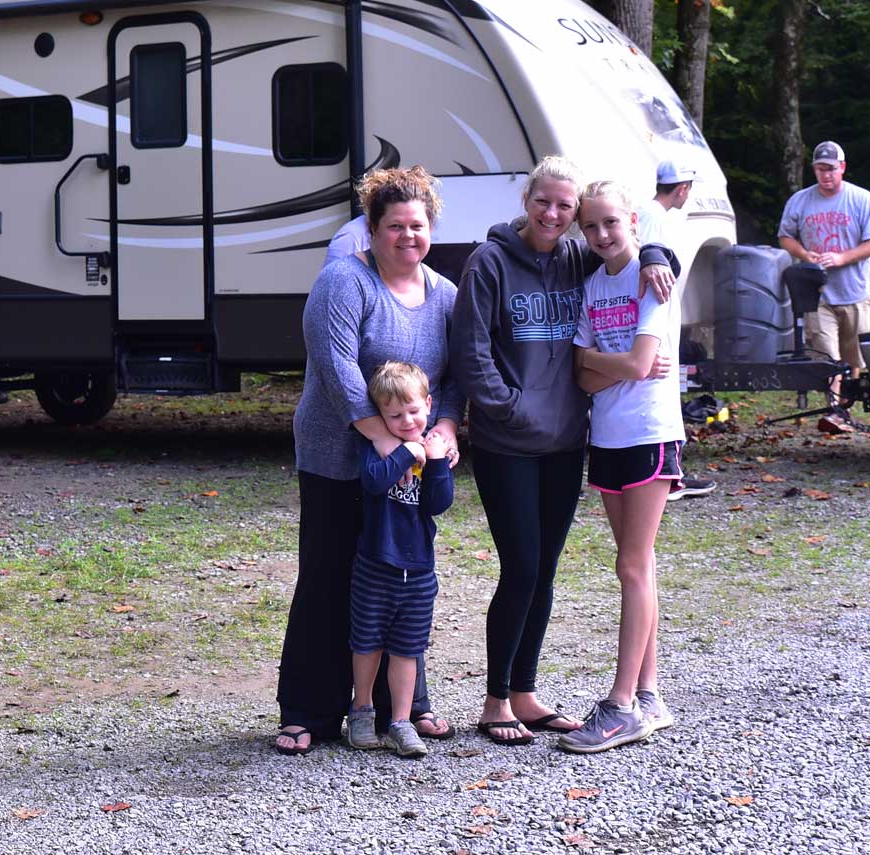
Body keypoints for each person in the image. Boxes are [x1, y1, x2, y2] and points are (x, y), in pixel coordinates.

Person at [451, 156, 679, 746]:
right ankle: (495, 699)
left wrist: (657, 255)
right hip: (509, 443)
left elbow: (634, 245)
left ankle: (525, 693)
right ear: (526, 201)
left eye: (564, 207)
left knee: (545, 571)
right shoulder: (490, 263)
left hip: (567, 443)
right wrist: (511, 409)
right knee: (521, 566)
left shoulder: (580, 257)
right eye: (543, 202)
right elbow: (471, 353)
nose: (553, 215)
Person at [275, 167, 464, 755]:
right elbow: (336, 368)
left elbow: (455, 377)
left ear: (432, 227)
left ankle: (402, 708)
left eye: (418, 225)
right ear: (372, 229)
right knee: (330, 577)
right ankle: (308, 709)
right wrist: (381, 436)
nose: (408, 236)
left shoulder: (447, 297)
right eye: (394, 226)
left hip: (405, 467)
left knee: (398, 579)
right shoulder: (344, 282)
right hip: (338, 455)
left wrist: (447, 429)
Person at [560, 178, 682, 753]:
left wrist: (599, 360)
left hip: (649, 435)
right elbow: (583, 375)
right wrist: (607, 363)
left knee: (632, 567)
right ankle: (650, 695)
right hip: (606, 437)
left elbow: (639, 363)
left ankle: (620, 703)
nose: (602, 233)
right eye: (591, 226)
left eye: (612, 222)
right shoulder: (591, 285)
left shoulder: (652, 279)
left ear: (633, 220)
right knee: (637, 566)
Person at [346, 362, 455, 758]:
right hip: (375, 565)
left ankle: (401, 722)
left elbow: (438, 504)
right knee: (367, 643)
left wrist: (436, 461)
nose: (406, 420)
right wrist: (406, 452)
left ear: (428, 404)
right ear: (381, 417)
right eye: (394, 415)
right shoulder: (377, 449)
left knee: (408, 649)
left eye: (413, 411)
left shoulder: (434, 451)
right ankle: (361, 713)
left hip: (419, 570)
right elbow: (374, 482)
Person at [777, 140, 870, 424]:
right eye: (820, 169)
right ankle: (834, 410)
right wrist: (804, 254)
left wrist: (841, 258)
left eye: (831, 169)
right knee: (827, 355)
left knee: (854, 356)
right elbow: (785, 236)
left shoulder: (862, 200)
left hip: (855, 289)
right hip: (817, 293)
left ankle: (845, 405)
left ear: (843, 168)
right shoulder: (800, 200)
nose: (825, 175)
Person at [638, 159, 714, 501]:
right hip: (655, 327)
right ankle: (665, 477)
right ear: (682, 188)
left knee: (670, 392)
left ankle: (671, 474)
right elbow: (651, 269)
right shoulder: (653, 216)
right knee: (663, 396)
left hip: (660, 325)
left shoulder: (653, 214)